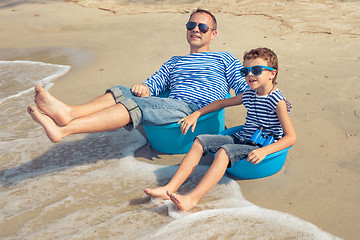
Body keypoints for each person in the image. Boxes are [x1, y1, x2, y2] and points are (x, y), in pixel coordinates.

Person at [27, 8, 249, 143]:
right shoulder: (175, 62)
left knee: (137, 106)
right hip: (172, 103)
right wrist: (145, 87)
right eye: (192, 24)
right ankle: (69, 112)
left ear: (213, 34)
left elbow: (245, 90)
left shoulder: (224, 58)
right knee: (123, 91)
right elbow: (154, 84)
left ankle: (64, 130)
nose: (196, 29)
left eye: (202, 26)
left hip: (194, 108)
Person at [144, 47, 296, 211]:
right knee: (200, 141)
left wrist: (264, 152)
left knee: (224, 152)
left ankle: (192, 199)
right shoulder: (250, 94)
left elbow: (290, 137)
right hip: (242, 137)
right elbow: (222, 103)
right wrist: (197, 113)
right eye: (245, 71)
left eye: (257, 70)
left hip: (260, 146)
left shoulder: (277, 101)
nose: (250, 74)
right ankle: (170, 188)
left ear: (272, 73)